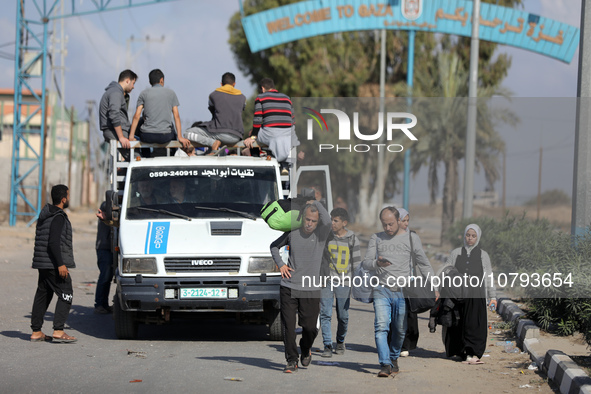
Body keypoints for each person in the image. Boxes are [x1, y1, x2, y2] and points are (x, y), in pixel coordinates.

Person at [362, 207, 435, 377]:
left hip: (403, 291)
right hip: (381, 289)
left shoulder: (411, 238)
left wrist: (434, 286)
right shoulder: (376, 238)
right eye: (384, 224)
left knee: (400, 329)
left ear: (399, 221)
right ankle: (385, 363)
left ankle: (394, 357)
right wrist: (376, 264)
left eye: (391, 224)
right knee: (381, 327)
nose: (387, 228)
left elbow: (423, 263)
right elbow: (366, 263)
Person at [270, 200, 331, 373]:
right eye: (307, 219)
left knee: (310, 327)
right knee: (288, 326)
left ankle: (305, 348)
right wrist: (281, 264)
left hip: (311, 288)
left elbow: (327, 219)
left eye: (313, 221)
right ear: (302, 218)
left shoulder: (321, 235)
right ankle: (291, 360)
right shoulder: (292, 233)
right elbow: (274, 247)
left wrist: (316, 203)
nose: (310, 224)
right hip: (288, 286)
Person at [442, 224, 497, 365]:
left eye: (473, 236)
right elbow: (446, 270)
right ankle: (462, 352)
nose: (470, 238)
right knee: (459, 324)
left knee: (474, 324)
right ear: (464, 236)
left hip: (476, 295)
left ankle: (473, 353)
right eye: (468, 235)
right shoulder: (456, 253)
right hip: (458, 294)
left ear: (478, 237)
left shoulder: (483, 255)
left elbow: (489, 276)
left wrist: (493, 297)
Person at [30, 184, 77, 343]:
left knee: (43, 294)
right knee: (67, 292)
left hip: (43, 262)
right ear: (63, 199)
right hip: (52, 263)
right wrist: (60, 264)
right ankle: (58, 330)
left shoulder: (45, 215)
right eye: (68, 196)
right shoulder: (58, 216)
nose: (69, 198)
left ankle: (36, 332)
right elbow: (53, 243)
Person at [320, 208, 361, 358]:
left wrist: (357, 282)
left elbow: (356, 263)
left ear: (344, 223)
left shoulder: (352, 238)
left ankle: (340, 341)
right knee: (325, 313)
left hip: (345, 281)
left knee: (343, 315)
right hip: (327, 280)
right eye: (331, 219)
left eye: (336, 220)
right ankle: (327, 345)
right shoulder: (326, 236)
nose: (332, 223)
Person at [243, 78, 299, 168]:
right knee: (273, 137)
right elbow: (293, 121)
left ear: (263, 88)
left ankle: (256, 160)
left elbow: (257, 120)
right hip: (287, 133)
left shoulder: (260, 98)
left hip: (271, 133)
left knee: (252, 133)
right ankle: (282, 164)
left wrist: (252, 137)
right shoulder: (287, 98)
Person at [185, 72, 246, 152]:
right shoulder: (243, 98)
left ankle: (212, 143)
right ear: (234, 84)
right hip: (236, 137)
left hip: (219, 134)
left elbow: (212, 110)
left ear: (221, 84)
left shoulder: (213, 95)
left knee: (187, 133)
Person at [128, 69, 190, 148]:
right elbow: (176, 116)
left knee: (141, 121)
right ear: (161, 80)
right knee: (171, 125)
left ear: (150, 82)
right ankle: (171, 155)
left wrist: (131, 136)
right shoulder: (171, 93)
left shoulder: (143, 93)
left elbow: (136, 115)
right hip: (165, 137)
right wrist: (180, 137)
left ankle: (145, 156)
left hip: (147, 136)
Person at [99, 69, 138, 150]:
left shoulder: (116, 92)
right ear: (127, 81)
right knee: (137, 157)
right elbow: (114, 114)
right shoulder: (116, 93)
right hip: (115, 131)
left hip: (116, 131)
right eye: (133, 83)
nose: (133, 87)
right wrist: (121, 137)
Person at [398, 208, 418, 357]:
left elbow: (420, 259)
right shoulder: (388, 237)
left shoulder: (412, 237)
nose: (405, 223)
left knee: (409, 314)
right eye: (402, 220)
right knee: (397, 313)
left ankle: (407, 343)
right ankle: (399, 343)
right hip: (393, 281)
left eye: (407, 221)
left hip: (410, 281)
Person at [94, 201, 113, 314]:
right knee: (105, 275)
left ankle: (104, 304)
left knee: (109, 276)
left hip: (113, 247)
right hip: (104, 246)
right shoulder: (107, 204)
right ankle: (99, 304)